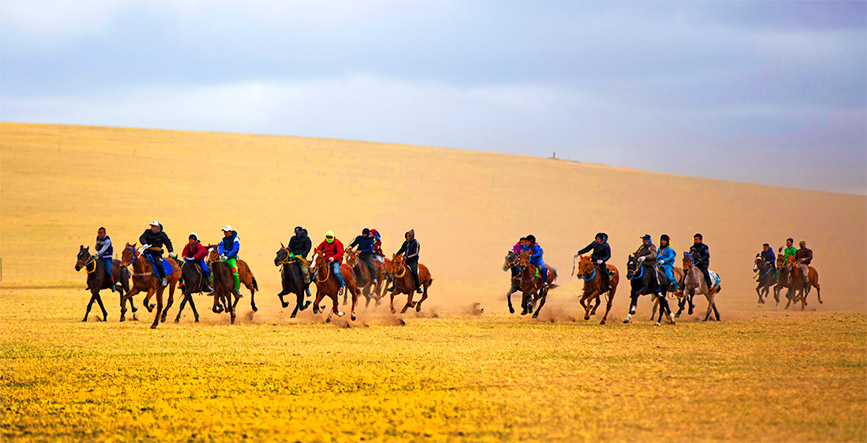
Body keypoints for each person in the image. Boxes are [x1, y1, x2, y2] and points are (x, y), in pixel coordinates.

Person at [139, 221, 174, 287]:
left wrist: (170, 251)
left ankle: (163, 278)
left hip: (156, 253)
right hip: (147, 252)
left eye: (154, 226)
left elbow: (167, 242)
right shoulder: (147, 232)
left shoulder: (162, 234)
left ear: (158, 228)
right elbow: (142, 238)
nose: (152, 228)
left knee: (158, 264)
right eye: (152, 226)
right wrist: (145, 243)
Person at [315, 231, 345, 295]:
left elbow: (340, 253)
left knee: (336, 272)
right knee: (316, 273)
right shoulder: (324, 242)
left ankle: (341, 285)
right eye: (327, 237)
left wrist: (333, 257)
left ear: (333, 237)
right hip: (326, 260)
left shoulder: (337, 243)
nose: (328, 238)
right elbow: (319, 249)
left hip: (335, 261)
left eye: (330, 237)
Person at [393, 229, 422, 293]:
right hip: (405, 260)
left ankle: (418, 287)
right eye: (407, 236)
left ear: (412, 236)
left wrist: (407, 256)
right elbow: (401, 249)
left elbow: (415, 253)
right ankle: (393, 286)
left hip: (413, 261)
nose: (407, 237)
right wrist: (396, 256)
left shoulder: (416, 243)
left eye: (409, 236)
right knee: (397, 270)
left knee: (414, 272)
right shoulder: (405, 243)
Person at [216, 225, 242, 297]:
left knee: (235, 272)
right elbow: (220, 247)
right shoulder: (223, 239)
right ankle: (213, 288)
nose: (225, 233)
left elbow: (235, 249)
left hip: (231, 259)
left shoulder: (235, 239)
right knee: (214, 271)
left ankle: (237, 289)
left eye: (226, 232)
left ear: (230, 232)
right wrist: (221, 254)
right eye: (224, 232)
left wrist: (227, 256)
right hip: (223, 258)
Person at [95, 227, 115, 292]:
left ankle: (112, 283)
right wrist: (97, 245)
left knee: (107, 271)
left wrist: (97, 254)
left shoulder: (107, 240)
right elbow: (96, 247)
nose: (99, 234)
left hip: (107, 257)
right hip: (100, 257)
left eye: (101, 233)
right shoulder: (98, 238)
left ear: (105, 233)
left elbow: (104, 249)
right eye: (98, 232)